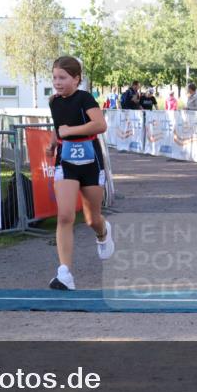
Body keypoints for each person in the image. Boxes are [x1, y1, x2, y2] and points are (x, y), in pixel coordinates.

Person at [45, 56, 115, 291]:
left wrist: (68, 131)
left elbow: (100, 125)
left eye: (62, 77)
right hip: (65, 161)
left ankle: (103, 232)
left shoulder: (85, 98)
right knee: (65, 216)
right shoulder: (53, 101)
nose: (57, 82)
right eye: (55, 77)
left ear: (76, 79)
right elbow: (59, 126)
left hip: (90, 160)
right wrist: (53, 142)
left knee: (91, 218)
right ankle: (64, 273)